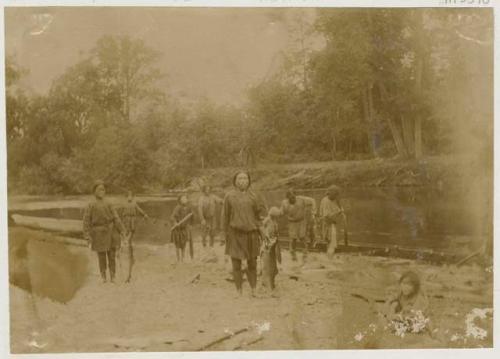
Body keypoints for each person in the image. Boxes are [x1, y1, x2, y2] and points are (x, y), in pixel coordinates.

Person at [222, 171, 267, 297]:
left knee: (252, 263)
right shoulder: (229, 196)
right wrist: (225, 234)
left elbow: (259, 216)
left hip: (251, 234)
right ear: (235, 181)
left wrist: (262, 231)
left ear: (249, 181)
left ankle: (253, 289)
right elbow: (225, 217)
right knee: (236, 263)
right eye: (240, 178)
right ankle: (238, 291)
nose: (242, 181)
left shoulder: (254, 196)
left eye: (245, 178)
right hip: (235, 233)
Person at [83, 180, 127, 283]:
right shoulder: (90, 205)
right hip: (98, 233)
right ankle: (103, 277)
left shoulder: (109, 203)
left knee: (112, 255)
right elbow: (86, 222)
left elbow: (116, 218)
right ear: (94, 191)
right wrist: (87, 237)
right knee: (101, 256)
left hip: (111, 232)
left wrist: (122, 230)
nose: (101, 191)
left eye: (103, 189)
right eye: (99, 189)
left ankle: (113, 276)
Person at [116, 191, 149, 283]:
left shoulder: (134, 204)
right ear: (126, 197)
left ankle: (130, 254)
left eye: (131, 196)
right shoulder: (123, 205)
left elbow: (139, 210)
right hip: (125, 221)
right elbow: (118, 214)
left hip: (132, 222)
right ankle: (121, 252)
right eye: (128, 196)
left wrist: (144, 214)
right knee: (124, 237)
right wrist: (117, 221)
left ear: (133, 197)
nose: (129, 198)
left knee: (130, 238)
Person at [279, 189, 317, 262]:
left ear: (295, 196)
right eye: (290, 198)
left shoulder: (301, 199)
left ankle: (305, 253)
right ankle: (293, 254)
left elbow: (313, 200)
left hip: (301, 221)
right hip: (292, 222)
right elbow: (281, 212)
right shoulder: (284, 203)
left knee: (302, 237)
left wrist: (314, 212)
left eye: (293, 197)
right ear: (287, 198)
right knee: (293, 239)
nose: (292, 199)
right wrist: (274, 213)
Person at [319, 185, 345, 257]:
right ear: (330, 194)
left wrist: (339, 203)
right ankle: (329, 254)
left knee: (334, 240)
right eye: (335, 195)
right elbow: (326, 216)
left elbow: (340, 210)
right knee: (330, 240)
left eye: (337, 195)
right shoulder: (325, 201)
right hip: (328, 223)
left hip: (334, 222)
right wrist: (334, 221)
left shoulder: (334, 200)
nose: (336, 197)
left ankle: (331, 253)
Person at [260, 206, 282, 293]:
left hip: (273, 243)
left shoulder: (274, 222)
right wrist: (266, 237)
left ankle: (272, 282)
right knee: (266, 265)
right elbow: (261, 228)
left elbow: (276, 232)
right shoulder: (267, 220)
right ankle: (266, 283)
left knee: (273, 265)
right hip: (267, 244)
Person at [170, 194, 194, 263]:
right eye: (183, 199)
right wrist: (175, 223)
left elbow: (192, 216)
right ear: (180, 200)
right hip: (177, 229)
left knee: (183, 244)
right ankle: (178, 259)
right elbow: (172, 217)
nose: (184, 200)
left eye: (185, 198)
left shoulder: (189, 208)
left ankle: (183, 258)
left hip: (184, 228)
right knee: (178, 244)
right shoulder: (178, 207)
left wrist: (191, 224)